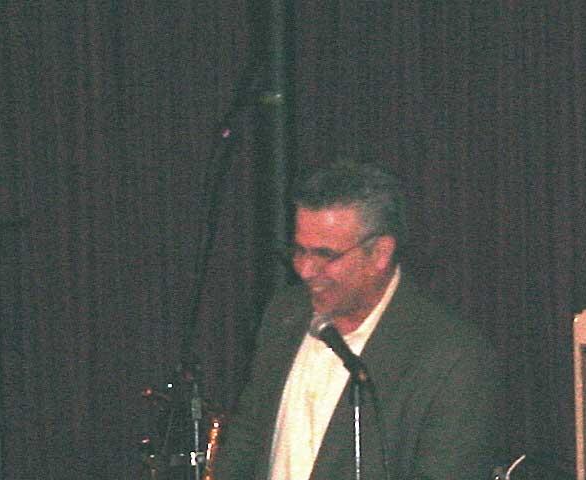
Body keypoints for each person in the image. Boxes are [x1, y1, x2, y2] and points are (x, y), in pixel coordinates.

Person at [214, 159, 503, 480]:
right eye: (299, 251)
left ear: (380, 253)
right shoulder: (285, 313)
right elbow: (246, 441)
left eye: (325, 255)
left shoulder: (452, 358)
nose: (305, 270)